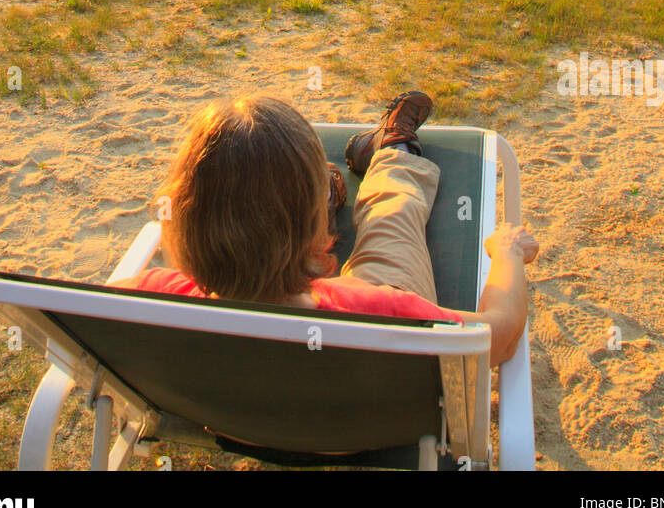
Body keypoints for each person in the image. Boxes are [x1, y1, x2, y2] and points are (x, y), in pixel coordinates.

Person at [116, 92, 538, 366]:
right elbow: (499, 337)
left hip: (232, 422)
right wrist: (507, 253)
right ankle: (392, 152)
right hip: (359, 436)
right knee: (392, 223)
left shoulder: (143, 302)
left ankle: (327, 193)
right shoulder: (382, 315)